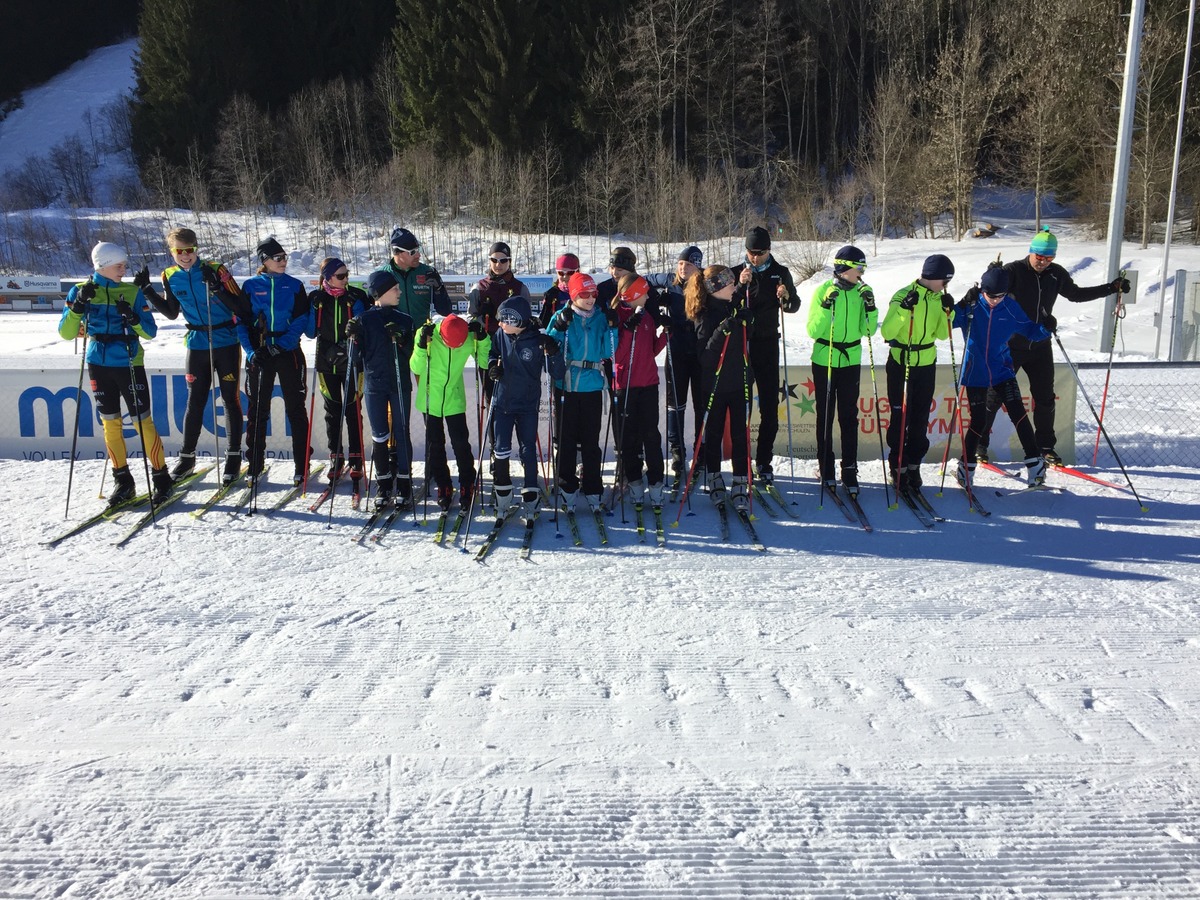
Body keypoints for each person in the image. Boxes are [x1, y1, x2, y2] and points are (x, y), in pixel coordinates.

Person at [977, 227, 1129, 464]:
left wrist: (1111, 288)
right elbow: (989, 294)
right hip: (1010, 345)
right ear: (1031, 252)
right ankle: (980, 444)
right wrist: (990, 276)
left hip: (1039, 344)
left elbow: (1076, 294)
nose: (1044, 262)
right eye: (1040, 257)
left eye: (1049, 258)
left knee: (1045, 398)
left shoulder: (1056, 274)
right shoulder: (1013, 270)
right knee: (994, 397)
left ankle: (1046, 448)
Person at [58, 242, 173, 506]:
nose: (124, 269)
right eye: (119, 265)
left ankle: (161, 478)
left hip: (129, 361)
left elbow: (150, 331)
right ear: (103, 265)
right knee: (110, 423)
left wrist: (132, 318)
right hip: (98, 361)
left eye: (124, 265)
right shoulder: (80, 290)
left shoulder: (132, 291)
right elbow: (65, 333)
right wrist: (78, 306)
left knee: (142, 421)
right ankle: (123, 481)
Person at [136, 227, 246, 486]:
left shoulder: (216, 269)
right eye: (179, 251)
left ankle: (233, 456)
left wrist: (218, 287)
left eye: (190, 250)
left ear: (197, 248)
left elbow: (241, 306)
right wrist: (147, 291)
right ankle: (187, 458)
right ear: (172, 252)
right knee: (195, 401)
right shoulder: (169, 275)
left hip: (226, 341)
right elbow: (172, 312)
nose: (186, 256)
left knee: (230, 399)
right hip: (196, 344)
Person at [954, 266, 1052, 487]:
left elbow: (1031, 331)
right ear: (982, 291)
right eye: (991, 295)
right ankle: (966, 468)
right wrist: (960, 304)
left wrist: (1046, 328)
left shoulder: (1010, 307)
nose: (995, 300)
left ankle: (1036, 467)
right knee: (978, 421)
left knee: (1018, 413)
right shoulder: (972, 306)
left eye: (1000, 296)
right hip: (975, 371)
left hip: (1002, 370)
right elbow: (947, 320)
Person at [237, 237, 311, 485]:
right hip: (260, 352)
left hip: (288, 352)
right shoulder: (250, 286)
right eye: (278, 258)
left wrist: (282, 346)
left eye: (285, 257)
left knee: (295, 409)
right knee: (257, 410)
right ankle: (255, 464)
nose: (283, 261)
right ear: (264, 261)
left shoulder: (294, 285)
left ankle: (302, 465)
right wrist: (250, 352)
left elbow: (301, 320)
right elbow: (242, 323)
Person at [806, 245, 879, 497]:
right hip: (825, 358)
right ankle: (825, 468)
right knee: (825, 416)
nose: (861, 272)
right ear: (844, 268)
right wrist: (827, 306)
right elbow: (813, 330)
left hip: (850, 359)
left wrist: (870, 307)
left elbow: (868, 332)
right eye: (859, 267)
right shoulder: (823, 291)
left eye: (863, 268)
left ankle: (849, 470)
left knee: (849, 417)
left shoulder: (862, 292)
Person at [730, 226, 800, 484]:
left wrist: (786, 296)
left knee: (770, 407)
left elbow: (793, 306)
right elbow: (728, 306)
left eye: (759, 253)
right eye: (750, 252)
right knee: (743, 407)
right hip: (743, 345)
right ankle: (742, 461)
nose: (755, 257)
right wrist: (740, 285)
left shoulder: (780, 273)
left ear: (769, 250)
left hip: (768, 345)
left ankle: (764, 461)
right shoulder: (738, 272)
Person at [880, 253, 955, 494]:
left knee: (921, 417)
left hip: (926, 362)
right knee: (900, 416)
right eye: (945, 280)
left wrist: (948, 313)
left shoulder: (937, 299)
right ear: (934, 277)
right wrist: (903, 309)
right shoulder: (903, 295)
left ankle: (914, 465)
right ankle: (897, 465)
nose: (946, 285)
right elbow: (888, 331)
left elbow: (943, 335)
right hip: (902, 362)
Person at [485, 295, 564, 519]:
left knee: (528, 448)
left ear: (518, 322)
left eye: (505, 320)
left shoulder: (538, 342)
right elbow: (493, 354)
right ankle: (503, 495)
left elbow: (557, 373)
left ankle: (531, 494)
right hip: (502, 403)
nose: (500, 324)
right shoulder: (501, 334)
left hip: (527, 404)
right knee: (500, 449)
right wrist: (493, 368)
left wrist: (554, 352)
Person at [546, 273, 618, 513]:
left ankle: (593, 486)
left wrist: (613, 326)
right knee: (566, 440)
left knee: (590, 441)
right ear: (574, 295)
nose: (589, 299)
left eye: (593, 294)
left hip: (592, 385)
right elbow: (549, 346)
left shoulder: (600, 317)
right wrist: (557, 328)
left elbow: (609, 350)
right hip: (566, 384)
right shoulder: (561, 316)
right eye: (583, 294)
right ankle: (566, 485)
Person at [685, 265, 754, 510]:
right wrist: (722, 330)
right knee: (713, 435)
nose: (734, 287)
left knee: (739, 435)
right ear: (716, 287)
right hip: (714, 385)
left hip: (739, 382)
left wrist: (748, 321)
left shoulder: (732, 305)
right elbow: (704, 357)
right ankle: (714, 477)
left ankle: (740, 481)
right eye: (730, 283)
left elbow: (746, 341)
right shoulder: (704, 315)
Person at [346, 271, 416, 509]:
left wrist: (402, 340)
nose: (398, 292)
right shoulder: (364, 319)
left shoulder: (405, 320)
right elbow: (355, 358)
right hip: (375, 384)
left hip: (399, 384)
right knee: (379, 434)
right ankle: (384, 484)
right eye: (394, 288)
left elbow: (412, 357)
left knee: (402, 429)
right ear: (380, 293)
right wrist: (352, 337)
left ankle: (405, 484)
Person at [411, 313, 491, 510]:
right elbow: (415, 366)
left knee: (461, 444)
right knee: (435, 445)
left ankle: (467, 483)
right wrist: (421, 346)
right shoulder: (426, 333)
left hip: (454, 399)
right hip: (430, 399)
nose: (454, 348)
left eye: (458, 346)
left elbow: (483, 362)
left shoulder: (466, 337)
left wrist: (483, 339)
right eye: (449, 345)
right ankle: (443, 485)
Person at [307, 257, 369, 493]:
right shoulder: (317, 299)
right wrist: (313, 308)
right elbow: (311, 332)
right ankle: (336, 455)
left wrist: (346, 343)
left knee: (353, 409)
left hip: (352, 362)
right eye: (341, 276)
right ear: (328, 277)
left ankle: (356, 456)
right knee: (332, 411)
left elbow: (363, 328)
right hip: (326, 363)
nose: (346, 279)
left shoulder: (355, 297)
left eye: (347, 274)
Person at [646, 245, 704, 485]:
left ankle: (702, 452)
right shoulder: (670, 281)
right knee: (675, 404)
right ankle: (677, 452)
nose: (683, 268)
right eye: (681, 264)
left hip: (700, 353)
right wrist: (657, 302)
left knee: (701, 404)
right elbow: (645, 280)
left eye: (688, 265)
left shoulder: (704, 283)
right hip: (676, 350)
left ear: (697, 267)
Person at [611, 274, 669, 508]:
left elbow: (650, 351)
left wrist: (666, 334)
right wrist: (626, 329)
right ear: (633, 296)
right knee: (629, 440)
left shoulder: (646, 317)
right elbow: (617, 356)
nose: (648, 296)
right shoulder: (618, 317)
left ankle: (656, 483)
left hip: (648, 384)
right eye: (644, 293)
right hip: (626, 387)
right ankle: (634, 482)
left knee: (651, 436)